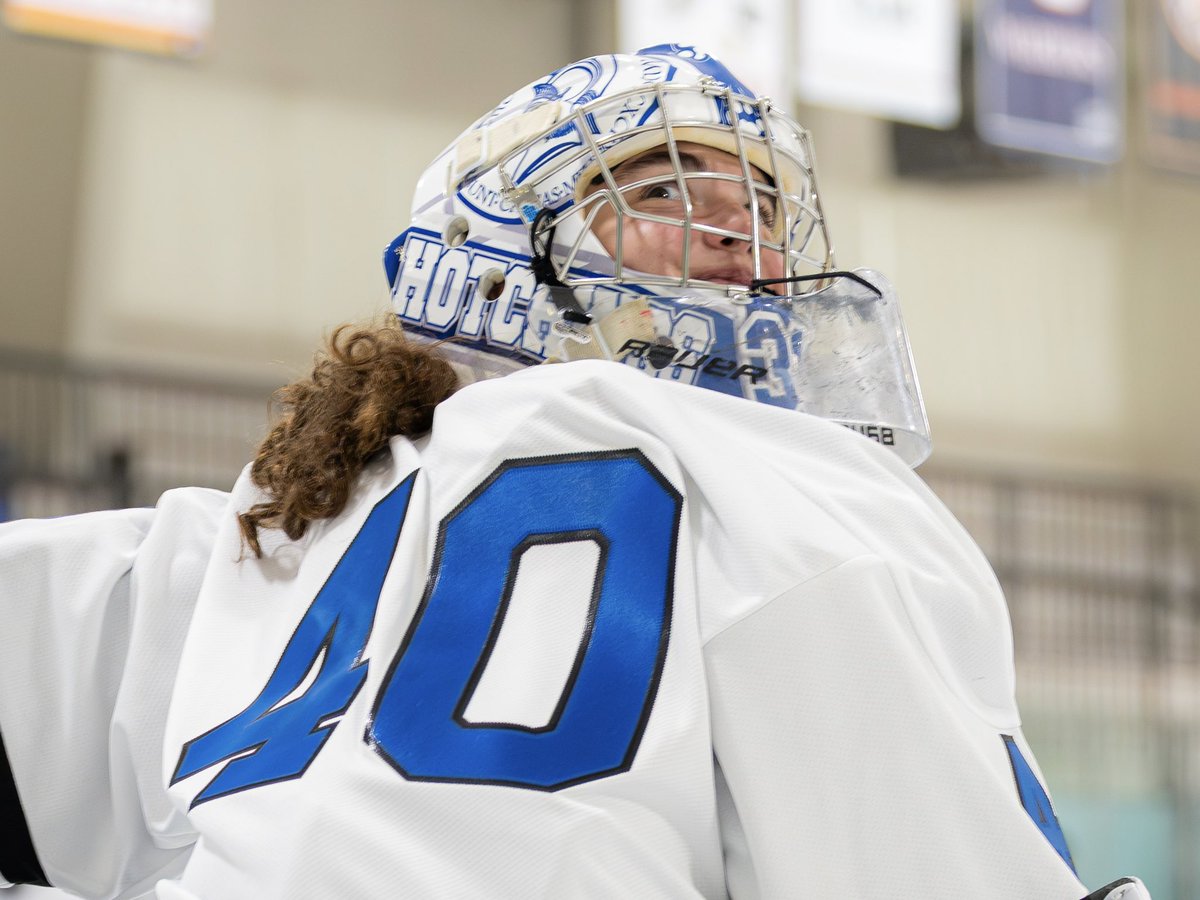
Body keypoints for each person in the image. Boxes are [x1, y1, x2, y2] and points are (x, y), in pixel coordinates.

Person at [0, 44, 1150, 900]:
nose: (740, 235)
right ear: (500, 250)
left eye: (760, 205)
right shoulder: (786, 484)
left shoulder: (273, 521)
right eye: (662, 191)